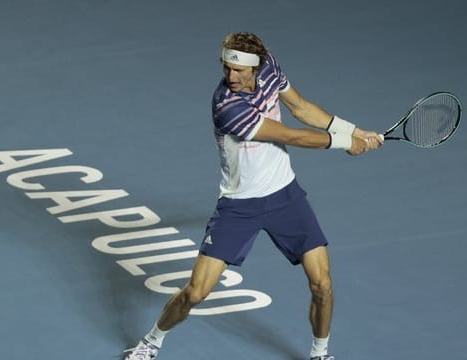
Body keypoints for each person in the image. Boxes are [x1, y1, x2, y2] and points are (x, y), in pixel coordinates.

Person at [123, 31, 383, 360]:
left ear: (256, 68)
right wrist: (345, 144)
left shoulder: (270, 69)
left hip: (285, 197)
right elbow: (291, 135)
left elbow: (301, 108)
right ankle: (152, 341)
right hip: (238, 208)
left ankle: (320, 353)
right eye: (226, 68)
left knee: (323, 284)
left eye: (239, 71)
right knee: (197, 292)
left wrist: (353, 130)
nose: (230, 76)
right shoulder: (227, 106)